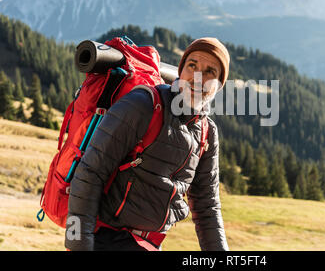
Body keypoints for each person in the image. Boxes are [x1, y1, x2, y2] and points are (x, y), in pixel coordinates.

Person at [65, 37, 230, 251]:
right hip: (106, 239)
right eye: (192, 66)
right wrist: (77, 246)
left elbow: (207, 207)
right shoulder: (144, 105)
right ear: (181, 71)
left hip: (148, 244)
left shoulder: (208, 133)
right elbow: (89, 173)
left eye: (210, 72)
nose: (198, 78)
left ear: (219, 85)